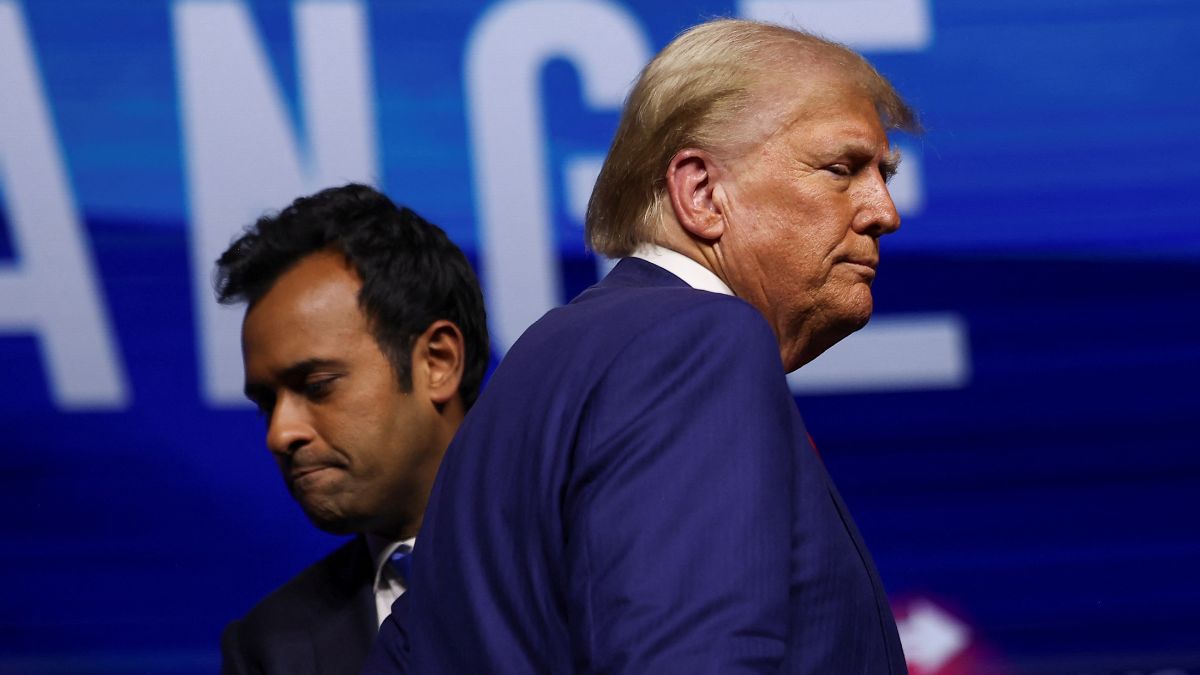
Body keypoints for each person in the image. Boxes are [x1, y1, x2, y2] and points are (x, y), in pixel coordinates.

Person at [368, 18, 919, 673]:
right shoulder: (700, 343)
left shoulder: (543, 361)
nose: (884, 210)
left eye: (881, 172)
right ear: (701, 193)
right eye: (841, 168)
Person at [214, 184, 488, 675]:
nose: (279, 434)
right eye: (267, 403)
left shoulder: (594, 562)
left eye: (317, 385)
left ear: (437, 362)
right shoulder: (267, 650)